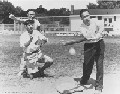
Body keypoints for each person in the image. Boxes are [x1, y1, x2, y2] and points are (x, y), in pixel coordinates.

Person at [63, 9, 105, 93]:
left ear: (90, 15)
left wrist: (97, 35)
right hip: (89, 45)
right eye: (84, 16)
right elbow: (87, 36)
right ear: (81, 18)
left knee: (99, 65)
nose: (87, 18)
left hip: (99, 44)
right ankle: (85, 79)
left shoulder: (97, 22)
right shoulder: (82, 27)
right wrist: (95, 36)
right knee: (87, 64)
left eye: (88, 15)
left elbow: (101, 32)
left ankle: (99, 85)